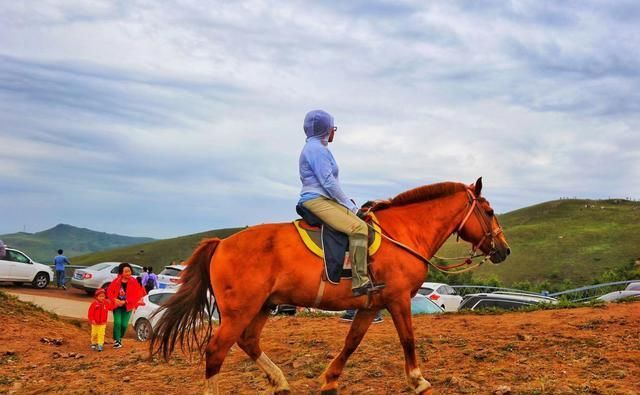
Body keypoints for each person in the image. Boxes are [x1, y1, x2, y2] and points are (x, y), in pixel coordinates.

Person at [298, 109, 379, 296]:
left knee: (364, 220)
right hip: (316, 200)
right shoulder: (317, 150)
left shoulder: (318, 147)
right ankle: (360, 281)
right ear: (325, 129)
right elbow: (328, 182)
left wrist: (345, 202)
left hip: (325, 198)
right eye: (333, 127)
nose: (334, 131)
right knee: (359, 228)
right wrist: (350, 206)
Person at [106, 262, 146, 349]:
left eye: (129, 271)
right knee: (117, 323)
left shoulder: (133, 281)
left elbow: (137, 294)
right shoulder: (116, 281)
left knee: (124, 325)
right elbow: (109, 291)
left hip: (128, 306)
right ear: (121, 273)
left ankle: (119, 337)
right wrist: (114, 300)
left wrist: (126, 301)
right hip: (117, 306)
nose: (128, 273)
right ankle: (117, 340)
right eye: (126, 271)